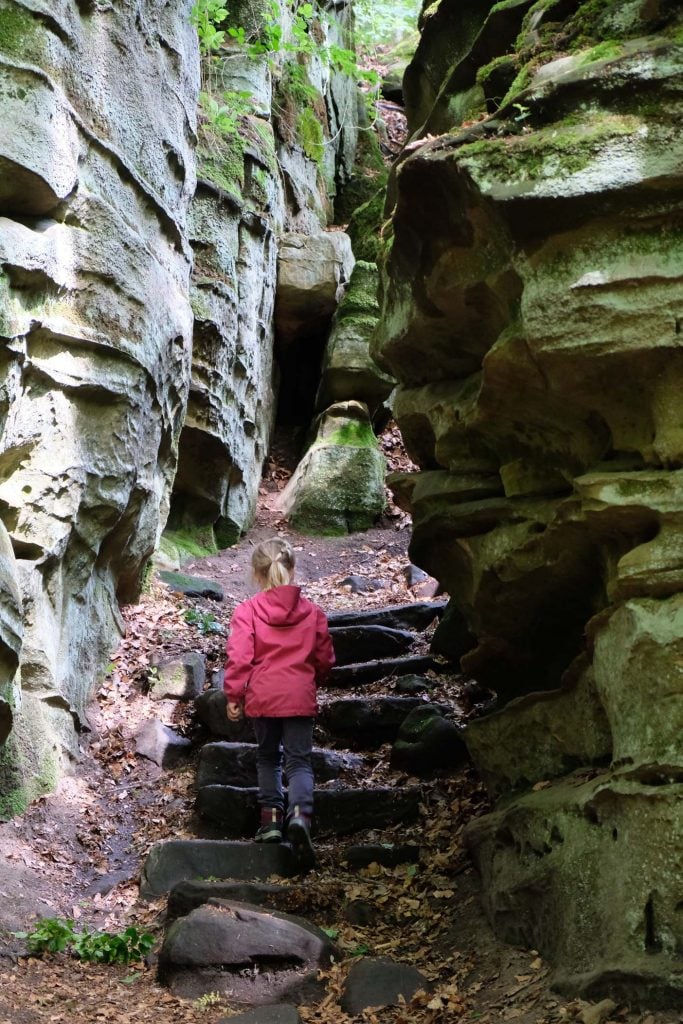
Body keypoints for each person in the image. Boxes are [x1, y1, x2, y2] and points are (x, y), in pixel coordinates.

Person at [224, 537, 335, 862]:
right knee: (299, 761)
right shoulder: (312, 612)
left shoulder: (248, 611)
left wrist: (234, 693)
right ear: (293, 569)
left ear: (256, 575)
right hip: (299, 695)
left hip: (262, 696)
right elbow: (324, 656)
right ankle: (300, 816)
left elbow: (240, 655)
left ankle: (271, 822)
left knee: (268, 758)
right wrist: (314, 679)